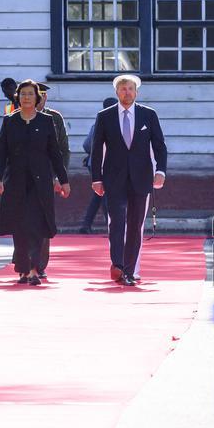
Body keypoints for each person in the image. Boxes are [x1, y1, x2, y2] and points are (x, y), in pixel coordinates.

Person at [90, 74, 167, 286]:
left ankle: (130, 271)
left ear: (136, 92)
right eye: (123, 89)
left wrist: (160, 171)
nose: (127, 92)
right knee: (116, 222)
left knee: (135, 224)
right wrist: (96, 178)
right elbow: (97, 149)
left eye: (131, 89)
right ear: (117, 93)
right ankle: (118, 265)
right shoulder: (105, 116)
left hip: (141, 178)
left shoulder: (148, 115)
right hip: (113, 178)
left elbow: (159, 146)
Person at [0, 79, 70, 285]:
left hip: (40, 183)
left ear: (38, 98)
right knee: (20, 226)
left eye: (30, 94)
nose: (26, 97)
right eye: (23, 94)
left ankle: (35, 269)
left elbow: (55, 153)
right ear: (18, 97)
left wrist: (63, 180)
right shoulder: (10, 121)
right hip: (16, 182)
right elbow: (0, 152)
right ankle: (23, 269)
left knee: (36, 225)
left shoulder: (45, 121)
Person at [35, 82, 70, 278]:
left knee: (43, 220)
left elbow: (63, 150)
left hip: (48, 176)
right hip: (23, 176)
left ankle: (40, 264)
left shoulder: (54, 118)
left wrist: (59, 176)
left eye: (40, 95)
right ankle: (22, 260)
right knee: (22, 220)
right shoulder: (15, 117)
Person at [78, 97, 116, 233]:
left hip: (93, 163)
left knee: (99, 195)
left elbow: (86, 144)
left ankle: (86, 224)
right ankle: (110, 225)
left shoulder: (98, 122)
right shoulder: (114, 122)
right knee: (106, 194)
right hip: (107, 164)